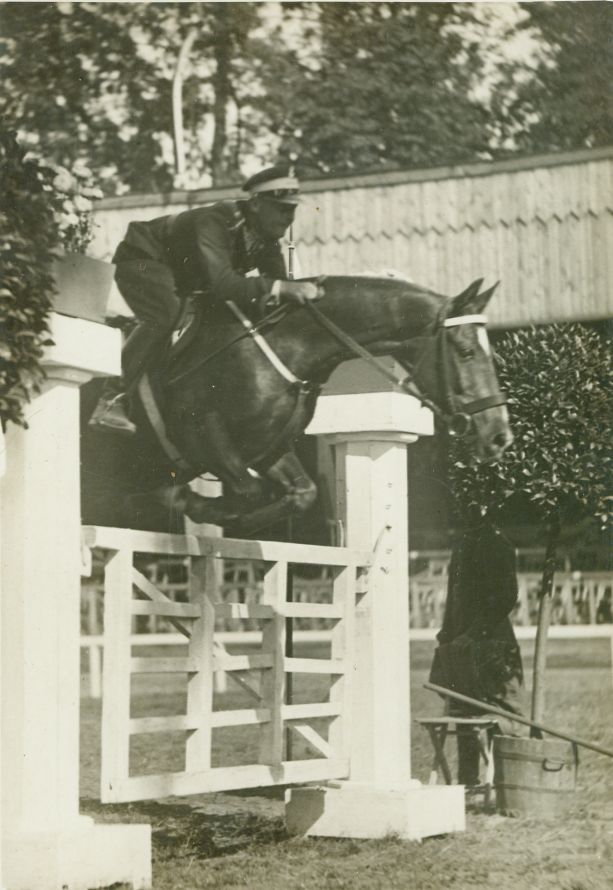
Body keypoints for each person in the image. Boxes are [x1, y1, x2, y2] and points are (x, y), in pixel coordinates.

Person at [90, 163, 319, 434]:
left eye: (292, 210)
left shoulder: (267, 240)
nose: (288, 218)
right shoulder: (215, 221)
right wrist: (282, 288)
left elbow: (276, 293)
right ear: (256, 204)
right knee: (166, 315)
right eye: (281, 209)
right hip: (141, 259)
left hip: (179, 277)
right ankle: (110, 399)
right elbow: (225, 284)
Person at [429, 517, 526, 787]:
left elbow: (505, 596)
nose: (466, 509)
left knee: (504, 716)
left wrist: (475, 633)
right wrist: (447, 634)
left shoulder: (497, 542)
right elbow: (455, 596)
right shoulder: (462, 543)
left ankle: (508, 785)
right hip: (461, 645)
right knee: (463, 715)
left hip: (493, 645)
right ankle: (468, 784)